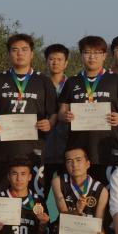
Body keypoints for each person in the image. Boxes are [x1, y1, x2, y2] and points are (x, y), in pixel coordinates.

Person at [58, 36, 118, 183]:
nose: (92, 57)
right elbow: (61, 112)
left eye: (97, 53)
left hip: (108, 147)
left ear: (104, 55)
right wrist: (65, 116)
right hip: (78, 150)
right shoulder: (72, 82)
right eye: (87, 52)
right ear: (81, 55)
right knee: (79, 192)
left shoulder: (116, 80)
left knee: (109, 191)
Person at [0, 34, 55, 191]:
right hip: (2, 150)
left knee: (34, 199)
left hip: (33, 151)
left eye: (24, 49)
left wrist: (50, 123)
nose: (20, 53)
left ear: (32, 53)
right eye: (15, 50)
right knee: (1, 197)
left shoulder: (43, 81)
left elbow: (53, 113)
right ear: (9, 53)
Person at [49, 144, 109, 234]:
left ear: (88, 164)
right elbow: (63, 215)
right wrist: (77, 210)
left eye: (78, 160)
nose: (74, 165)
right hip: (65, 232)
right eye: (69, 161)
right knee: (63, 231)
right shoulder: (58, 182)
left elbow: (99, 222)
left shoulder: (101, 190)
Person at [40, 43, 72, 177]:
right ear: (46, 61)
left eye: (59, 59)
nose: (55, 63)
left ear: (66, 63)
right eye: (52, 59)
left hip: (67, 143)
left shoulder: (74, 85)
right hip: (43, 142)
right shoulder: (38, 84)